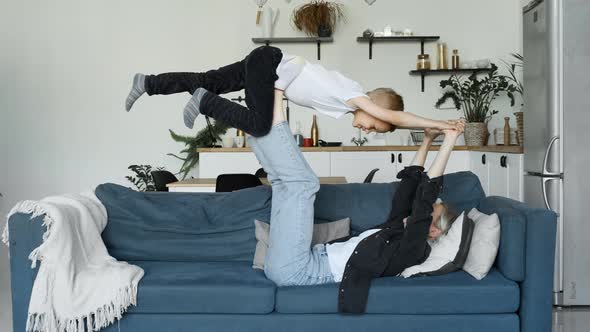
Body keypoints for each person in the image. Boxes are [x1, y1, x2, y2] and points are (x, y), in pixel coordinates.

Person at [247, 88, 465, 314]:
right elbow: (410, 185)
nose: (423, 209)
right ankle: (252, 119)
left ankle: (272, 100)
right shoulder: (396, 231)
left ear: (434, 232)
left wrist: (449, 140)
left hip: (299, 270)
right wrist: (428, 139)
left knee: (302, 184)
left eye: (431, 212)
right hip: (302, 259)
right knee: (282, 184)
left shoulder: (413, 250)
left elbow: (425, 195)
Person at [125, 45, 459, 135]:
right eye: (374, 124)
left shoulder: (344, 104)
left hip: (265, 62)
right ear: (374, 105)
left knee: (208, 77)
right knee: (260, 124)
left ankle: (147, 83)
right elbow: (395, 117)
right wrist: (440, 125)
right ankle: (205, 103)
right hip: (270, 65)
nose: (368, 128)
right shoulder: (353, 94)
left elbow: (305, 71)